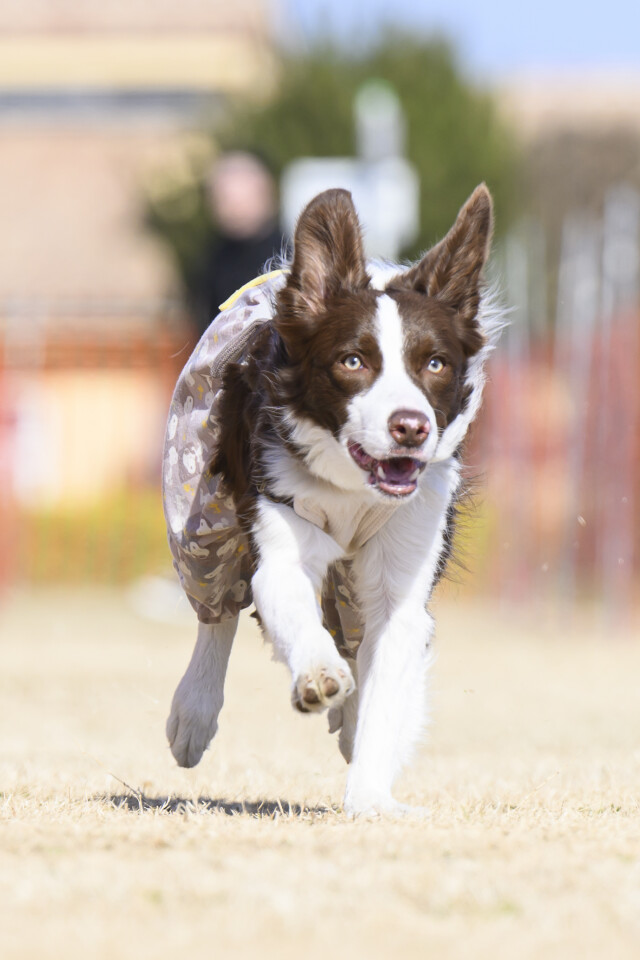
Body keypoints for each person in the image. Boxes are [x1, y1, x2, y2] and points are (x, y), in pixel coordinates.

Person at [192, 151, 284, 336]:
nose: (231, 209)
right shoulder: (216, 257)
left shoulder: (286, 256)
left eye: (237, 199)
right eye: (222, 199)